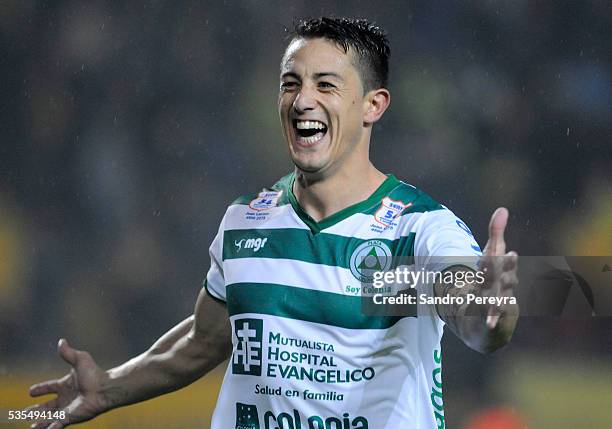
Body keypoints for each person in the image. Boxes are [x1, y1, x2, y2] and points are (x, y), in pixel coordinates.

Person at [27, 17, 518, 429]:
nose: (303, 100)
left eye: (326, 84)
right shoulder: (245, 220)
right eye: (291, 83)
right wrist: (110, 387)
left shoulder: (416, 229)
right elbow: (204, 340)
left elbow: (475, 320)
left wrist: (491, 306)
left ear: (373, 105)